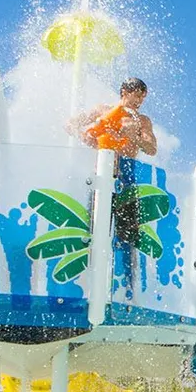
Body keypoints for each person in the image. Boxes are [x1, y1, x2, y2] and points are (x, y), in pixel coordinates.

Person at [82, 78, 158, 297]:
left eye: (143, 97)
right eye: (137, 95)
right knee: (94, 230)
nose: (140, 101)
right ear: (125, 91)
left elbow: (151, 148)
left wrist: (135, 135)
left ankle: (128, 292)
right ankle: (88, 288)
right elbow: (73, 125)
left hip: (127, 181)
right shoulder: (103, 110)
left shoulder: (142, 120)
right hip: (100, 177)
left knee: (128, 236)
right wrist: (93, 135)